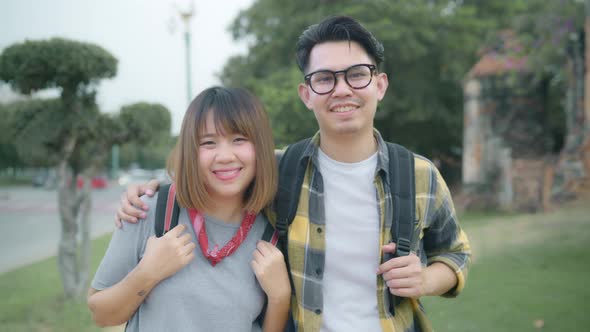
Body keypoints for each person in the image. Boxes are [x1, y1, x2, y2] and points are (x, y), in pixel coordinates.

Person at [116, 16, 471, 332]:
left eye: (357, 75)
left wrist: (424, 279)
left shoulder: (420, 175)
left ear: (379, 85)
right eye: (325, 79)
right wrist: (150, 190)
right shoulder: (276, 170)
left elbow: (455, 254)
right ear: (306, 93)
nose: (342, 89)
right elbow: (211, 169)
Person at [88, 87, 291, 332]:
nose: (224, 156)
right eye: (208, 142)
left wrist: (280, 297)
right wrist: (148, 272)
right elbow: (101, 315)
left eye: (239, 139)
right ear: (190, 151)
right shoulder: (149, 211)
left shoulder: (271, 232)